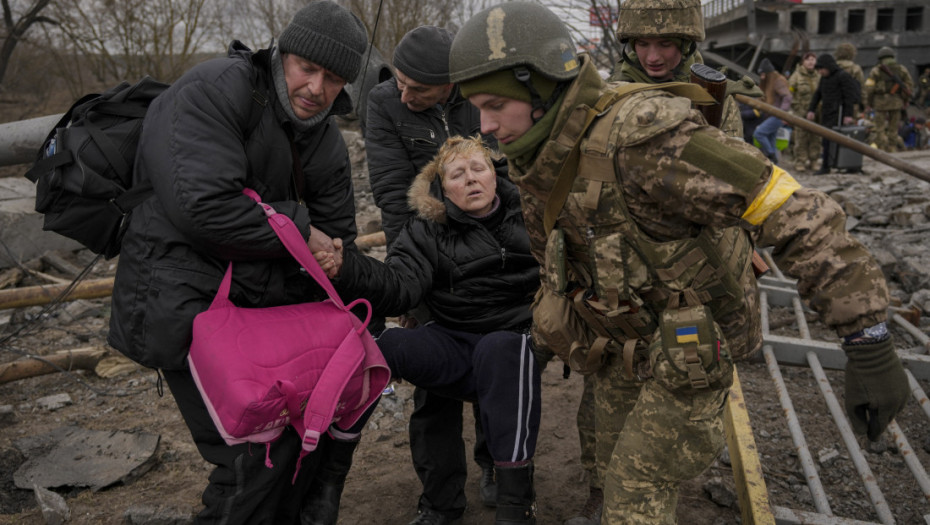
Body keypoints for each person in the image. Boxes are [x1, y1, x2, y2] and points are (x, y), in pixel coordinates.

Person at [448, 3, 910, 524]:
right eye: (475, 109)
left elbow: (792, 207)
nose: (484, 126)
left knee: (634, 488)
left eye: (493, 105)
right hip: (624, 339)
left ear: (539, 85)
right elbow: (559, 254)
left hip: (692, 349)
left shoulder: (645, 136)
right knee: (601, 457)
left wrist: (867, 342)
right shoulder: (541, 150)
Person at [107, 3, 371, 524]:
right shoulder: (212, 90)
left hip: (260, 309)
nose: (317, 88)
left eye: (334, 78)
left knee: (299, 439)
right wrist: (300, 229)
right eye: (306, 69)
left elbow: (337, 238)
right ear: (281, 53)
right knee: (253, 453)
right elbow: (203, 207)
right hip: (180, 295)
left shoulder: (325, 137)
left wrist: (340, 259)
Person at [327, 135, 543, 524]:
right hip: (454, 337)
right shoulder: (426, 230)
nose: (471, 179)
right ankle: (327, 473)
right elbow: (399, 284)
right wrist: (348, 269)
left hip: (516, 339)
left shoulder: (530, 214)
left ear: (494, 176)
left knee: (502, 349)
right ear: (444, 188)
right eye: (458, 174)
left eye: (479, 169)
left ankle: (516, 509)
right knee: (385, 345)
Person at [364, 25, 498, 525]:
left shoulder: (480, 96)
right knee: (434, 384)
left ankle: (496, 465)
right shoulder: (384, 105)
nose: (405, 95)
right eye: (400, 83)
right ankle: (441, 500)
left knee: (494, 367)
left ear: (451, 84)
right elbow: (393, 197)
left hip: (490, 257)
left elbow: (503, 174)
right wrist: (411, 283)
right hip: (425, 257)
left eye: (417, 88)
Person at [609, 0, 754, 139]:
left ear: (685, 46)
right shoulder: (613, 93)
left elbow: (732, 158)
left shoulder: (714, 95)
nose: (652, 58)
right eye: (643, 44)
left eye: (665, 44)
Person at [806, 53, 860, 174]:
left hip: (840, 113)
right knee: (826, 140)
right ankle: (826, 165)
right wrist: (811, 110)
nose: (820, 72)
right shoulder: (824, 79)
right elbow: (817, 95)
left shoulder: (843, 76)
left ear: (828, 67)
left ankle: (849, 164)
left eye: (822, 69)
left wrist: (848, 115)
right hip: (827, 113)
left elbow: (849, 97)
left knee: (843, 140)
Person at [863, 46, 915, 152]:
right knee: (893, 128)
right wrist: (905, 101)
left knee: (880, 128)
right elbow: (909, 85)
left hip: (880, 102)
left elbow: (869, 88)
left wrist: (868, 103)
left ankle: (882, 148)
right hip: (896, 102)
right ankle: (892, 148)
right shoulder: (901, 69)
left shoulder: (876, 70)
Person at [752, 58, 792, 164]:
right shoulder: (768, 82)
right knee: (771, 140)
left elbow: (787, 97)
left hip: (777, 115)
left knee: (759, 134)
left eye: (763, 74)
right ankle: (775, 166)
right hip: (770, 115)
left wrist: (782, 112)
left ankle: (771, 154)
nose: (761, 77)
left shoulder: (778, 81)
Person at [787, 52, 821, 172]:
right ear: (803, 62)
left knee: (816, 137)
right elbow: (789, 94)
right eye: (808, 60)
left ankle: (814, 160)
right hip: (801, 112)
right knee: (801, 137)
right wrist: (794, 108)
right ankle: (800, 161)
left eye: (813, 59)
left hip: (817, 113)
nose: (811, 62)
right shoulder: (796, 77)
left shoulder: (819, 76)